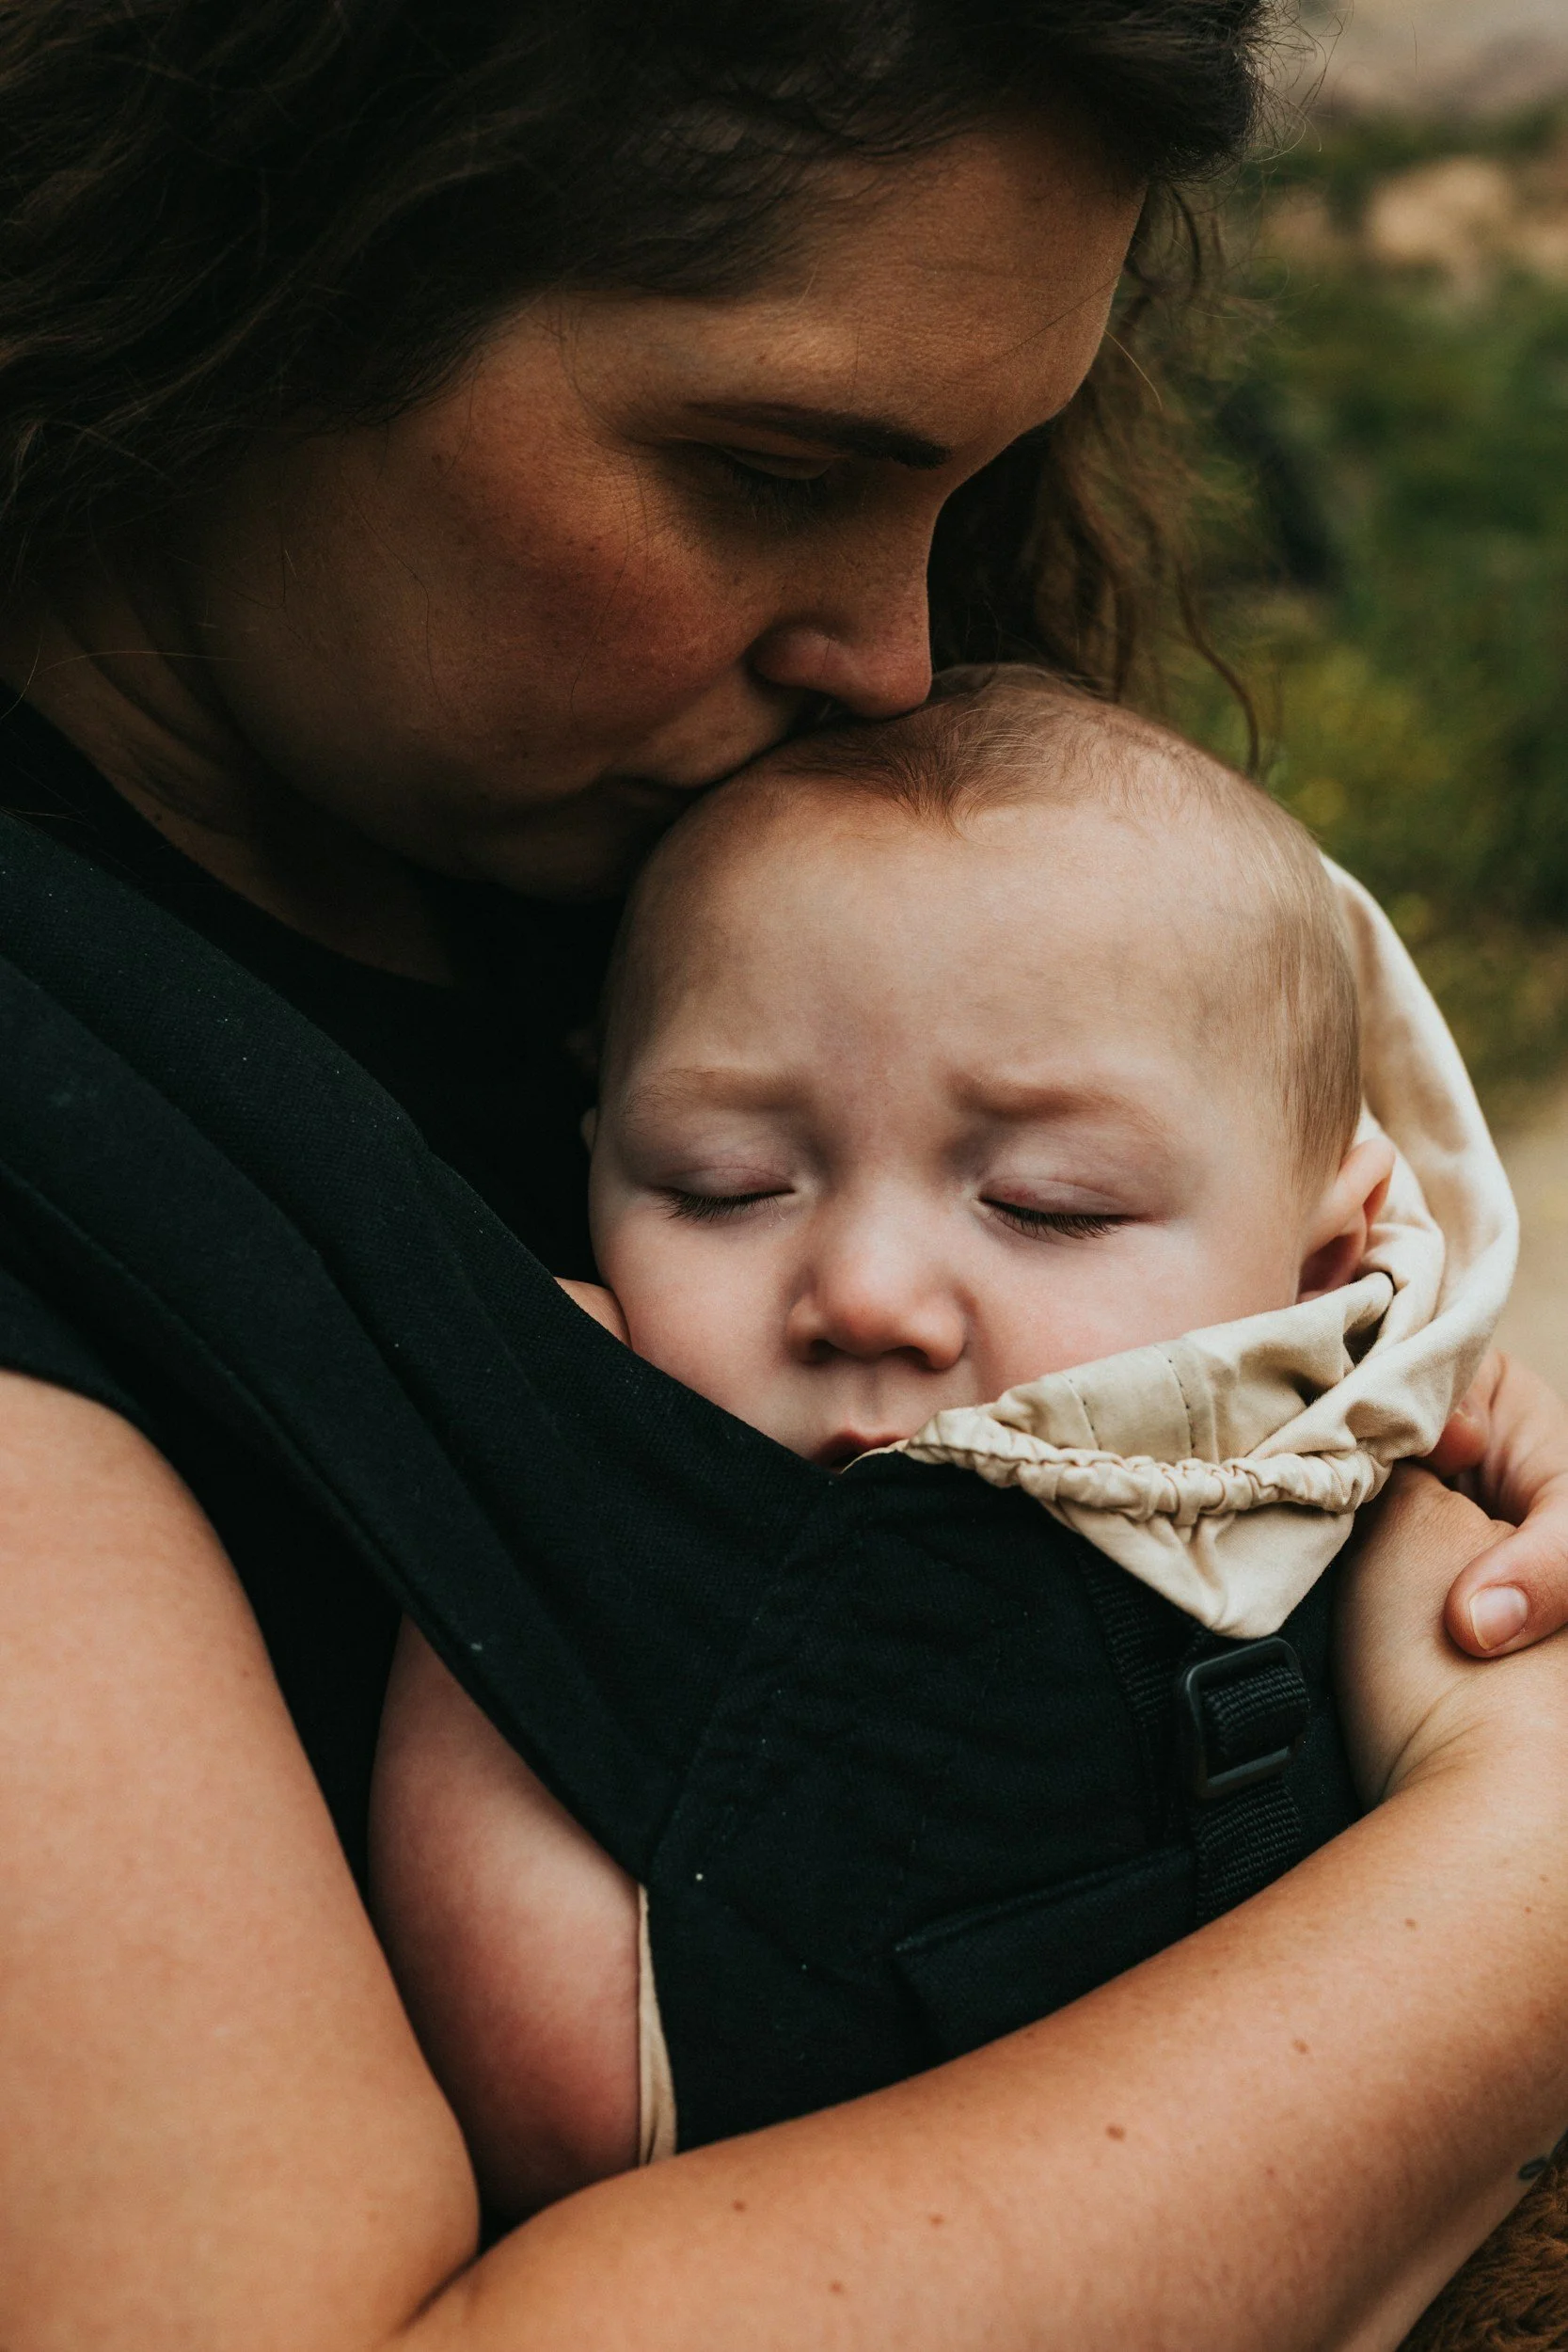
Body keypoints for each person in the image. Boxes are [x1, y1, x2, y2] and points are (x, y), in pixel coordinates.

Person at [2, 8, 1568, 2351]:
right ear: (257, 260)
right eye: (760, 466)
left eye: (963, 488)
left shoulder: (663, 853)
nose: (896, 651)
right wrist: (1516, 1883)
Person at [372, 669, 1511, 2214]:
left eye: (1048, 1203)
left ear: (1320, 1263)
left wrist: (1466, 1436)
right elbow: (573, 2109)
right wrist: (512, 1508)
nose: (864, 1296)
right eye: (722, 1183)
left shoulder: (1350, 1460)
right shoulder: (624, 1499)